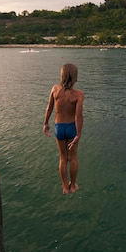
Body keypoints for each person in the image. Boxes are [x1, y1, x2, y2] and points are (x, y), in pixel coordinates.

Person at [43, 63, 84, 195]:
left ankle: (65, 187)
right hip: (72, 128)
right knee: (73, 158)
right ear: (75, 78)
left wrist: (46, 124)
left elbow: (49, 107)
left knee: (63, 158)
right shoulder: (79, 94)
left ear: (61, 76)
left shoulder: (55, 89)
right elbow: (78, 116)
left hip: (59, 128)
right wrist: (78, 134)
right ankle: (73, 185)